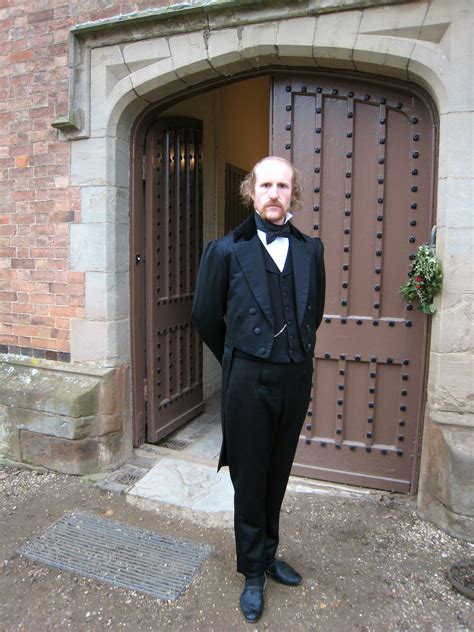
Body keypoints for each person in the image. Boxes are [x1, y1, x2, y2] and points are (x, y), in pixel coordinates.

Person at [192, 156, 325, 622]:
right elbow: (206, 317)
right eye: (265, 184)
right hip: (248, 380)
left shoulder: (312, 251)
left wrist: (295, 356)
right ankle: (251, 570)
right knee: (249, 478)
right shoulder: (225, 250)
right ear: (251, 191)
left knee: (278, 472)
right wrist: (238, 359)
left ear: (294, 194)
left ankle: (269, 555)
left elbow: (314, 313)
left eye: (283, 185)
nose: (274, 193)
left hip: (294, 377)